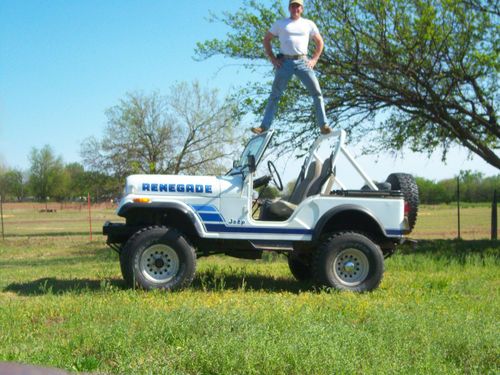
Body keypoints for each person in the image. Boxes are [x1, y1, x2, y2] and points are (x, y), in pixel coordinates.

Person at [251, 0, 331, 135]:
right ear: (289, 8)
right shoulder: (280, 24)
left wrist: (314, 59)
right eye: (293, 6)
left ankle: (323, 125)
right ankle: (264, 126)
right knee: (275, 94)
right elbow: (266, 39)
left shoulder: (308, 24)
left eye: (298, 6)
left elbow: (319, 42)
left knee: (317, 93)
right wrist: (273, 58)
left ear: (302, 9)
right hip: (285, 62)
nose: (295, 9)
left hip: (303, 62)